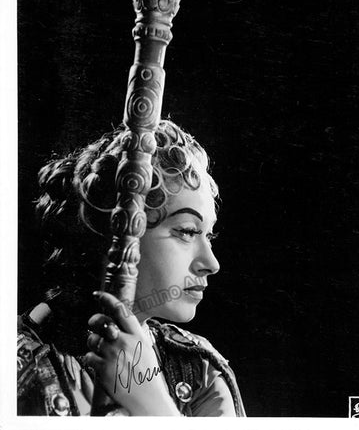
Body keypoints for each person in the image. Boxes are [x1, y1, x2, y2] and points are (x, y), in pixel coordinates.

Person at [17, 119, 246, 416]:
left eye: (209, 236)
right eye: (187, 231)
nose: (211, 264)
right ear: (114, 232)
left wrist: (152, 404)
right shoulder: (15, 368)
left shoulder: (200, 371)